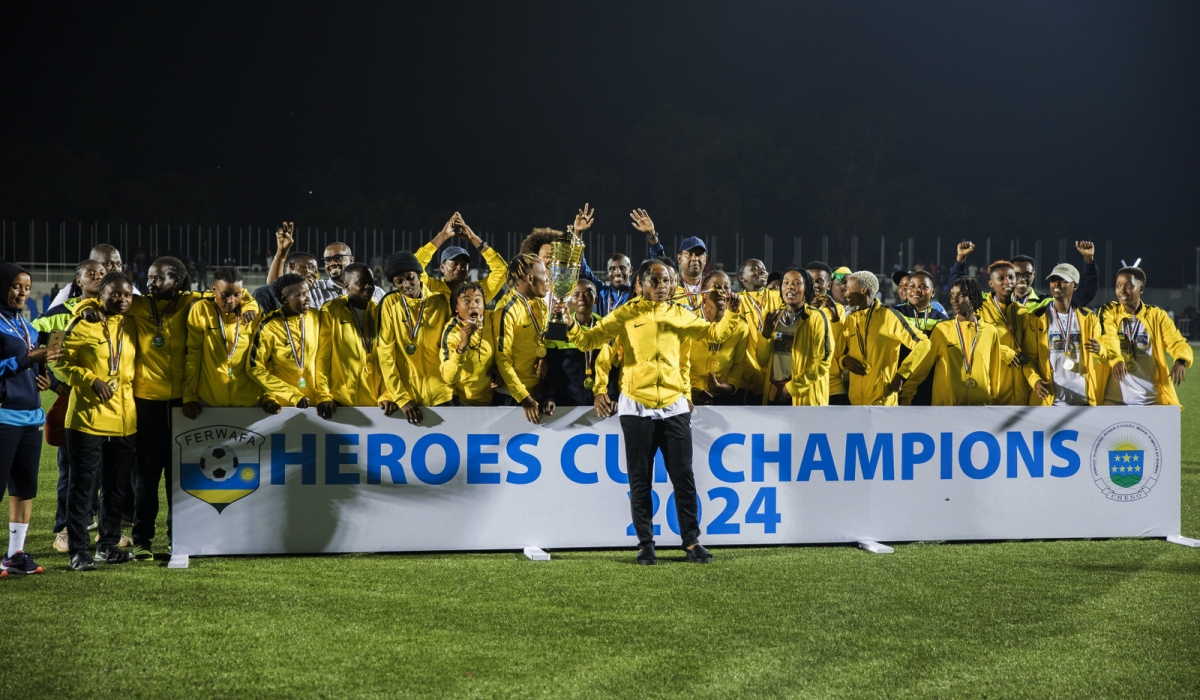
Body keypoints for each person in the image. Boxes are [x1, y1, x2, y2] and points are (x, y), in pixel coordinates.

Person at [559, 259, 742, 565]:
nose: (661, 287)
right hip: (636, 407)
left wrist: (732, 313)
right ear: (641, 284)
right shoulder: (627, 314)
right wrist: (568, 322)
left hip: (674, 407)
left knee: (683, 478)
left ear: (673, 285)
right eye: (654, 281)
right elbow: (588, 340)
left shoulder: (681, 314)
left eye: (667, 281)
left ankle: (691, 542)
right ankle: (646, 543)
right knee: (640, 480)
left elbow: (714, 335)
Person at [56, 272, 139, 570]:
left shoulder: (133, 323)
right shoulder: (82, 321)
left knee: (117, 486)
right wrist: (90, 379)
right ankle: (79, 550)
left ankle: (108, 545)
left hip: (124, 418)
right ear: (100, 295)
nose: (122, 299)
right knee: (83, 486)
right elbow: (57, 358)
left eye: (127, 295)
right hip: (86, 419)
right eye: (115, 294)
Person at [35, 259, 105, 553]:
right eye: (91, 274)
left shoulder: (116, 311)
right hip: (74, 398)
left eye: (102, 273)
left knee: (102, 469)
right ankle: (64, 528)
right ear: (79, 280)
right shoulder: (63, 314)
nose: (98, 277)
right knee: (71, 467)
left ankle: (100, 527)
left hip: (108, 401)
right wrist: (53, 383)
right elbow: (47, 353)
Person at [0, 264, 61, 575]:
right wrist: (27, 359)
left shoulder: (28, 326)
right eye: (15, 286)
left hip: (31, 415)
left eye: (26, 287)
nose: (22, 292)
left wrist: (44, 377)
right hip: (3, 415)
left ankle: (15, 555)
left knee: (24, 487)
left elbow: (33, 366)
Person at [1021, 264, 1113, 406]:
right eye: (1053, 280)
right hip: (1049, 402)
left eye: (1063, 280)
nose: (1057, 284)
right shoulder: (1036, 318)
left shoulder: (1089, 318)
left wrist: (1099, 349)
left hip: (1083, 402)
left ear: (1075, 286)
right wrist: (1035, 380)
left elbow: (1105, 356)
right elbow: (1029, 359)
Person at [901, 278, 1002, 406]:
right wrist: (906, 394)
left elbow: (995, 376)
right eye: (952, 295)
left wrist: (995, 406)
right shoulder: (942, 330)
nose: (954, 300)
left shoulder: (990, 332)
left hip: (981, 408)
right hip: (947, 409)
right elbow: (923, 367)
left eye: (961, 295)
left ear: (974, 298)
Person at [1098, 267, 1192, 405]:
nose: (1121, 290)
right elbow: (1108, 338)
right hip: (1114, 400)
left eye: (1128, 286)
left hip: (1151, 400)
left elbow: (1176, 341)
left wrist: (1181, 361)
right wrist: (1116, 359)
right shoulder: (1109, 311)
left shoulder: (1157, 315)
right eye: (1118, 286)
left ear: (1141, 289)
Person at [378, 252, 450, 425]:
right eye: (399, 281)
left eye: (410, 277)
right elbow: (386, 355)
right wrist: (401, 398)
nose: (406, 285)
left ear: (418, 275)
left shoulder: (440, 302)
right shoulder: (390, 305)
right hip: (408, 399)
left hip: (444, 395)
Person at [839, 271, 931, 406]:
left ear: (863, 290)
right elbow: (840, 353)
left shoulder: (889, 316)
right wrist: (844, 360)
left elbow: (924, 343)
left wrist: (901, 374)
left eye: (848, 289)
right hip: (856, 405)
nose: (845, 294)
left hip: (883, 403)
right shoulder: (850, 319)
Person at [182, 267, 265, 417]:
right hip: (210, 399)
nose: (231, 301)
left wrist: (269, 396)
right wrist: (189, 395)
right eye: (224, 295)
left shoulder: (252, 313)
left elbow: (263, 356)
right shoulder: (202, 310)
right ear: (214, 289)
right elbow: (193, 356)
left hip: (250, 401)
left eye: (236, 295)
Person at [316, 264, 395, 419]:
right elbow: (322, 358)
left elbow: (390, 359)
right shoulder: (331, 311)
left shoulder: (381, 312)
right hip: (340, 402)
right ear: (346, 286)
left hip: (377, 406)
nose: (368, 287)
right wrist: (323, 395)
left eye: (371, 282)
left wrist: (388, 394)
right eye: (361, 283)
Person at [757, 268, 833, 406]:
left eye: (797, 283)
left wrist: (791, 388)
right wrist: (766, 334)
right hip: (775, 392)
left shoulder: (817, 318)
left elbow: (823, 362)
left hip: (805, 396)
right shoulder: (772, 317)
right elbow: (762, 361)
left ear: (807, 288)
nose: (790, 286)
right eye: (785, 282)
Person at [248, 273, 320, 413]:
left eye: (308, 293)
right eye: (300, 295)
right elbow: (255, 368)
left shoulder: (317, 317)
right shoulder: (268, 326)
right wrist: (285, 395)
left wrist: (324, 397)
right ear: (284, 299)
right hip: (283, 405)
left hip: (317, 405)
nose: (307, 298)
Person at [494, 254, 553, 424]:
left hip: (536, 392)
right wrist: (523, 397)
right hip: (511, 396)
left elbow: (541, 338)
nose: (547, 279)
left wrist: (543, 357)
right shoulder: (507, 310)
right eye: (543, 274)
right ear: (529, 278)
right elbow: (502, 360)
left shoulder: (540, 304)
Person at [417, 212, 508, 304]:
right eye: (454, 263)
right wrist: (443, 235)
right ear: (442, 267)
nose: (460, 268)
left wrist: (474, 239)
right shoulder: (430, 287)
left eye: (464, 264)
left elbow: (501, 270)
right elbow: (413, 266)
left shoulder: (476, 292)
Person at [689, 271, 750, 406]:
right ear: (703, 294)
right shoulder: (690, 321)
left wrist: (729, 387)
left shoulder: (740, 326)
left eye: (726, 287)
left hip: (724, 396)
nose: (722, 291)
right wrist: (689, 392)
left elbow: (739, 364)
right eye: (716, 287)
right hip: (690, 396)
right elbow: (678, 362)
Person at [983, 241, 1099, 310]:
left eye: (1027, 274)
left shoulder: (1047, 302)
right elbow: (966, 292)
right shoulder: (992, 300)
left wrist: (1089, 261)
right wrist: (963, 261)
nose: (1022, 279)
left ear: (1034, 275)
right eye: (1017, 275)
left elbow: (1084, 294)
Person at [636, 208, 707, 314]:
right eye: (689, 254)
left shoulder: (712, 286)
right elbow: (660, 261)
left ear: (705, 258)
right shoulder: (670, 286)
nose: (694, 258)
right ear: (679, 258)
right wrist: (652, 236)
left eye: (698, 255)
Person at [544, 279, 602, 407]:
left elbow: (612, 369)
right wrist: (549, 397)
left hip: (598, 403)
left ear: (596, 299)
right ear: (571, 300)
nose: (581, 298)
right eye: (576, 295)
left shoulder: (605, 328)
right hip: (565, 402)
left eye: (587, 293)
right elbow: (553, 369)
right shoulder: (559, 328)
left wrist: (612, 396)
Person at [439, 282, 497, 406]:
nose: (473, 305)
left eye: (477, 300)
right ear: (456, 307)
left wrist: (497, 368)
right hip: (465, 403)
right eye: (466, 301)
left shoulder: (492, 320)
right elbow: (448, 378)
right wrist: (461, 348)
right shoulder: (451, 332)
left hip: (493, 398)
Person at [734, 259, 783, 405]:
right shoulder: (737, 301)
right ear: (743, 278)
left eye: (763, 268)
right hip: (746, 381)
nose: (761, 271)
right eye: (755, 269)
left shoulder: (778, 296)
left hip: (775, 379)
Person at [805, 262, 850, 405]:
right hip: (803, 384)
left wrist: (835, 318)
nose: (815, 285)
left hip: (832, 385)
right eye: (810, 280)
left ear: (828, 285)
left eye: (819, 280)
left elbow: (839, 348)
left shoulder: (837, 310)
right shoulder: (794, 308)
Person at [48, 244, 141, 308]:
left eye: (119, 264)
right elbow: (50, 319)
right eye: (109, 264)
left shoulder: (130, 291)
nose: (116, 269)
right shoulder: (70, 292)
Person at [307, 240, 387, 308]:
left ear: (351, 260)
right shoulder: (315, 289)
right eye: (328, 260)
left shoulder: (375, 292)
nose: (332, 263)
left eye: (338, 258)